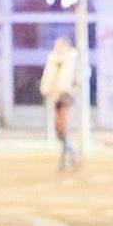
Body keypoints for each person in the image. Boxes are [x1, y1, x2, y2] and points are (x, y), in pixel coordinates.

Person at [41, 36, 78, 172]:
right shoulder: (53, 60)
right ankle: (71, 153)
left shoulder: (72, 60)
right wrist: (47, 89)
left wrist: (73, 87)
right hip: (56, 96)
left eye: (60, 46)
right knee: (59, 129)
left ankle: (65, 158)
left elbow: (77, 77)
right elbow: (48, 77)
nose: (57, 49)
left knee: (63, 126)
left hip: (66, 96)